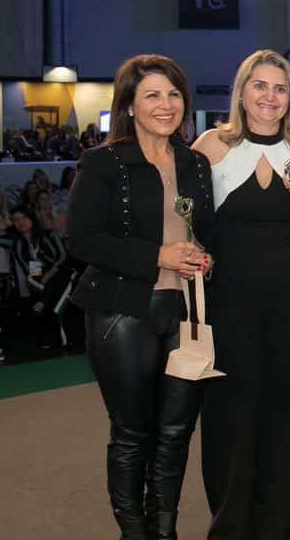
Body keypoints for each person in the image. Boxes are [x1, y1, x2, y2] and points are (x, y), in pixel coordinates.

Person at [66, 54, 214, 540]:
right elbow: (82, 240)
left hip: (186, 314)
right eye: (152, 94)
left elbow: (203, 231)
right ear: (128, 104)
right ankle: (135, 534)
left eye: (173, 94)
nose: (165, 104)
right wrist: (159, 256)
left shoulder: (195, 162)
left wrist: (202, 255)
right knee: (133, 435)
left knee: (175, 434)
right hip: (122, 314)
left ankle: (164, 531)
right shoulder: (103, 162)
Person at [193, 49, 290, 540]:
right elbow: (191, 223)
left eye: (280, 88)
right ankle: (230, 526)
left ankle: (278, 528)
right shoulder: (210, 147)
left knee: (288, 415)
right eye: (261, 86)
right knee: (230, 416)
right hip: (230, 303)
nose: (270, 97)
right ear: (242, 91)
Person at [8, 204, 67, 348]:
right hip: (37, 278)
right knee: (36, 285)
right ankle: (43, 304)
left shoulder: (49, 234)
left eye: (23, 218)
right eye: (16, 220)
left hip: (60, 272)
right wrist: (41, 280)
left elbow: (62, 256)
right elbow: (27, 268)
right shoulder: (17, 244)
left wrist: (48, 273)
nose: (20, 222)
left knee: (57, 277)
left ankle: (42, 302)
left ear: (32, 219)